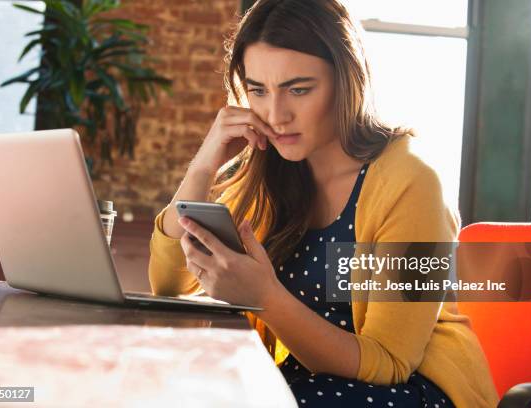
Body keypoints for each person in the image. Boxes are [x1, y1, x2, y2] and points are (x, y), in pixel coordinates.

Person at [148, 0, 498, 406]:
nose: (276, 115)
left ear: (346, 81)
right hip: (309, 385)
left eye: (299, 90)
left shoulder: (411, 181)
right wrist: (203, 164)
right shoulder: (273, 172)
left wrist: (265, 298)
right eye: (259, 91)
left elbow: (390, 363)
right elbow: (170, 284)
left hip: (412, 390)